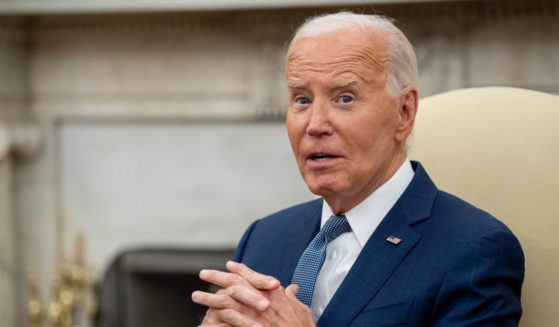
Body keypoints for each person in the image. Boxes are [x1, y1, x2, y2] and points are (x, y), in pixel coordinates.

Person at [191, 12, 524, 327]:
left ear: (404, 113)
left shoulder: (475, 250)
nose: (315, 125)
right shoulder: (264, 237)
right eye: (302, 100)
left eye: (345, 98)